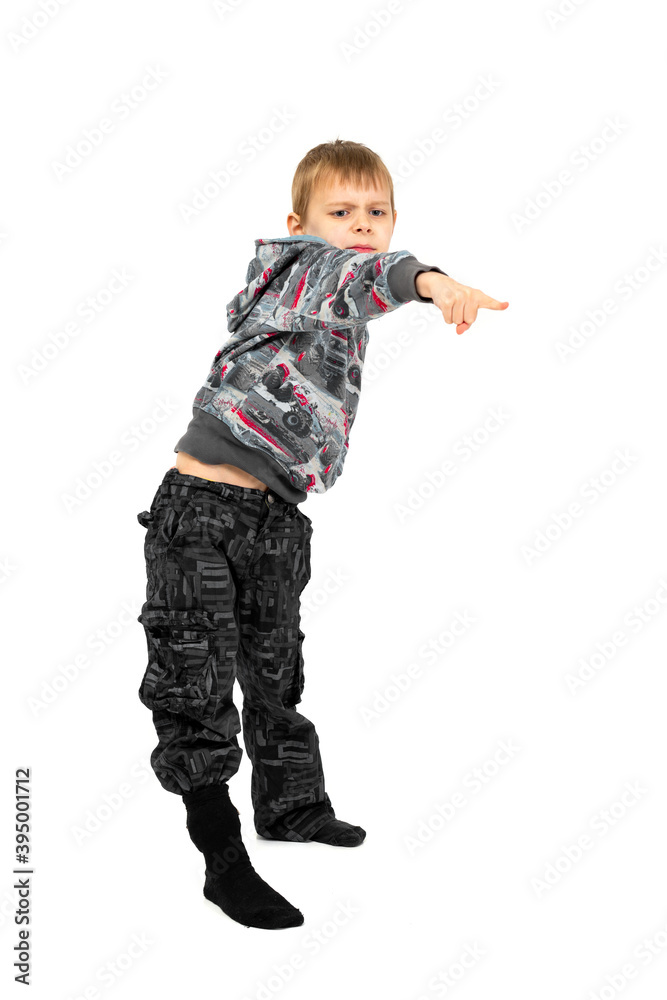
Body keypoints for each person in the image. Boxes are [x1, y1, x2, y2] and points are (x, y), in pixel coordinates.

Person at [135, 138, 509, 931]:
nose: (361, 226)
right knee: (194, 686)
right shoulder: (299, 269)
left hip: (276, 519)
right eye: (341, 213)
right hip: (199, 512)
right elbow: (366, 274)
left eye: (376, 212)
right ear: (299, 224)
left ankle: (294, 807)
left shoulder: (338, 301)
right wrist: (432, 281)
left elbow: (361, 285)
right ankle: (221, 858)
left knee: (276, 671)